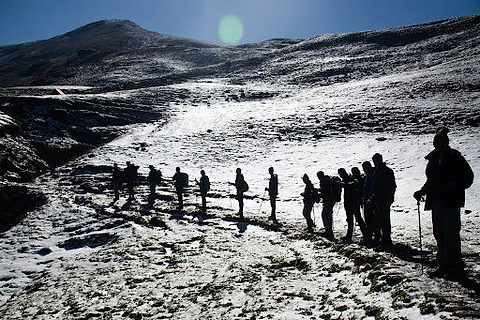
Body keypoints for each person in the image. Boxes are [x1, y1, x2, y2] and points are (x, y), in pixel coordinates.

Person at [413, 127, 474, 279]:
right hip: (437, 202)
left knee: (451, 234)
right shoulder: (434, 160)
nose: (439, 145)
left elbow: (468, 177)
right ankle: (443, 264)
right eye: (437, 142)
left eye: (442, 142)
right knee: (439, 234)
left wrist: (455, 186)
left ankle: (454, 265)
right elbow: (431, 181)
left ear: (446, 143)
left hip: (451, 203)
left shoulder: (455, 158)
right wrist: (422, 192)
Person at [372, 153, 396, 251]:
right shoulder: (377, 171)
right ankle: (385, 241)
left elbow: (392, 186)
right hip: (378, 199)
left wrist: (389, 200)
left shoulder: (387, 171)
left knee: (385, 221)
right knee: (381, 221)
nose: (375, 162)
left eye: (376, 160)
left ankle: (387, 242)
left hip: (384, 200)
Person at [338, 168, 368, 243]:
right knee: (351, 219)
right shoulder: (346, 179)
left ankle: (366, 236)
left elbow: (349, 185)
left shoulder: (351, 179)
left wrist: (341, 184)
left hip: (353, 202)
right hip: (348, 202)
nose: (341, 175)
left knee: (357, 218)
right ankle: (350, 236)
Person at [362, 161, 380, 246]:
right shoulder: (367, 177)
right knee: (369, 220)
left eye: (366, 168)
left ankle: (376, 237)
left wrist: (371, 199)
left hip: (373, 201)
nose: (365, 170)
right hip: (367, 201)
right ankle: (371, 237)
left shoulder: (373, 176)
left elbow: (375, 188)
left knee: (373, 220)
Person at [317, 171, 340, 239]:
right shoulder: (327, 181)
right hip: (330, 200)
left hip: (328, 200)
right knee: (327, 215)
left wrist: (319, 194)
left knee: (325, 215)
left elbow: (325, 192)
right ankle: (329, 231)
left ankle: (328, 231)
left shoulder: (324, 182)